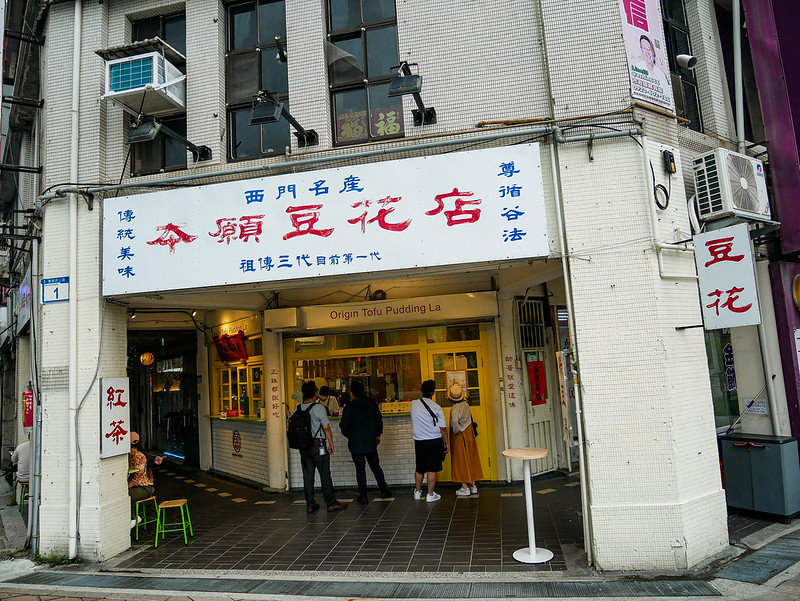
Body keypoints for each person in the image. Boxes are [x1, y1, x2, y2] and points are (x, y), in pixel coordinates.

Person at [293, 381, 347, 514]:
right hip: (319, 445)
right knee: (324, 474)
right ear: (316, 393)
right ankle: (331, 503)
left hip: (304, 446)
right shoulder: (319, 408)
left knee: (308, 475)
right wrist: (331, 443)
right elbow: (326, 427)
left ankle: (310, 504)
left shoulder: (297, 408)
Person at [339, 380, 392, 504]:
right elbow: (379, 420)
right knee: (375, 466)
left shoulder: (349, 407)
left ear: (352, 393)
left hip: (356, 443)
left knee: (360, 469)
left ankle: (363, 496)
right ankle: (384, 490)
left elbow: (344, 426)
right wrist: (377, 434)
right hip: (370, 441)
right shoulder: (371, 404)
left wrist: (350, 436)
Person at [410, 380, 448, 502]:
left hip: (419, 441)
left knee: (420, 467)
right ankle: (430, 495)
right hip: (434, 440)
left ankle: (417, 492)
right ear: (433, 392)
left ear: (421, 390)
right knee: (432, 468)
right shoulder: (437, 407)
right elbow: (442, 428)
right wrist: (446, 443)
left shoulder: (414, 404)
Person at [447, 383, 483, 496]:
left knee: (460, 460)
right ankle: (473, 485)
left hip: (459, 435)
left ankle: (464, 487)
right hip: (469, 432)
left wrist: (457, 430)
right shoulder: (466, 404)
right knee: (470, 457)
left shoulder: (455, 408)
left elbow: (454, 422)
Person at [128, 432, 164, 528]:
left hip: (144, 488)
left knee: (126, 496)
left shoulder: (138, 456)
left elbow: (136, 477)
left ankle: (134, 517)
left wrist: (127, 486)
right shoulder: (132, 455)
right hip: (139, 487)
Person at [12, 432, 31, 506]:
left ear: (28, 437)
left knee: (23, 475)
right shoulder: (39, 446)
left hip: (23, 477)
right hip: (34, 478)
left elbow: (13, 460)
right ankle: (30, 492)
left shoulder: (20, 447)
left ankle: (26, 491)